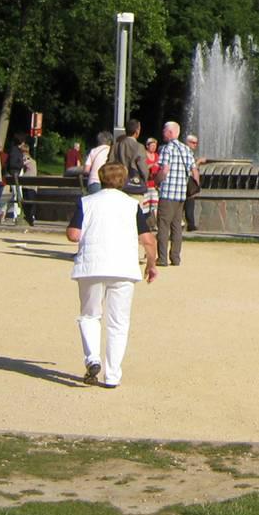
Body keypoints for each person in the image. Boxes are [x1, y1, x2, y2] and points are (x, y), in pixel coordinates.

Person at [67, 161, 159, 388]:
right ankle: (113, 375)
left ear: (100, 177)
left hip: (92, 265)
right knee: (118, 323)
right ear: (124, 180)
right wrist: (151, 263)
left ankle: (92, 358)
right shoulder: (131, 205)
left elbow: (73, 234)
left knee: (89, 315)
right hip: (123, 267)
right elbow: (147, 239)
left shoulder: (86, 202)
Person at [153, 121, 196, 267]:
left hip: (168, 194)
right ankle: (176, 258)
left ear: (171, 132)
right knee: (177, 227)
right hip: (181, 195)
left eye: (165, 131)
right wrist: (193, 188)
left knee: (163, 226)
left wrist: (157, 181)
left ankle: (163, 258)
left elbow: (164, 170)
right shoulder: (186, 149)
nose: (163, 133)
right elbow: (194, 171)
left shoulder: (167, 149)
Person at [183, 134, 205, 231]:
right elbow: (190, 168)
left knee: (189, 203)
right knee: (188, 203)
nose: (195, 145)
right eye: (193, 143)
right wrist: (199, 162)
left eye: (196, 143)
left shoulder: (188, 153)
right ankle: (190, 224)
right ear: (187, 142)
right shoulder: (186, 152)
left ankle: (190, 224)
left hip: (186, 182)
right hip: (185, 181)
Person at [141, 138, 161, 224]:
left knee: (155, 205)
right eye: (152, 145)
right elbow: (142, 168)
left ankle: (155, 223)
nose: (154, 147)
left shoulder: (157, 156)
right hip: (146, 184)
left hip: (155, 184)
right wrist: (152, 165)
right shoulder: (143, 155)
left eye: (155, 146)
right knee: (145, 206)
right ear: (147, 146)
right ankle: (145, 223)